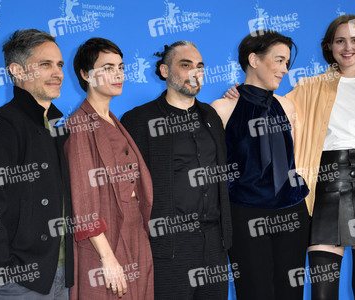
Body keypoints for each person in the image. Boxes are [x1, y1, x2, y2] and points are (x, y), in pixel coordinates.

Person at [224, 15, 355, 300]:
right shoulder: (309, 87)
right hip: (324, 189)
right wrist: (240, 94)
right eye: (340, 41)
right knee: (322, 293)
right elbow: (270, 103)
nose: (347, 47)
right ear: (329, 46)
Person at [0, 29, 73, 299]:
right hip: (17, 280)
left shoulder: (56, 129)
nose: (57, 72)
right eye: (45, 64)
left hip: (59, 273)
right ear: (18, 70)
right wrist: (4, 271)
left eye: (59, 64)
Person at [120, 41, 232, 300]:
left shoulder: (211, 117)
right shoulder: (139, 120)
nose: (195, 72)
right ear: (164, 71)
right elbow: (127, 189)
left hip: (214, 243)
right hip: (168, 246)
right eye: (185, 65)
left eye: (200, 66)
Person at [210, 31, 310, 300]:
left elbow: (295, 158)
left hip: (292, 211)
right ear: (253, 59)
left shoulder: (288, 106)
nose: (284, 70)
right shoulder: (222, 108)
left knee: (291, 294)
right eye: (278, 61)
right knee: (255, 292)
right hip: (246, 214)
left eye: (287, 63)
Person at [64, 37, 154, 300]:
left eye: (121, 67)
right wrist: (107, 257)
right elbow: (82, 201)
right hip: (105, 240)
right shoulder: (79, 125)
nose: (118, 74)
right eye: (107, 67)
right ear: (85, 74)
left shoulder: (115, 121)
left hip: (135, 232)